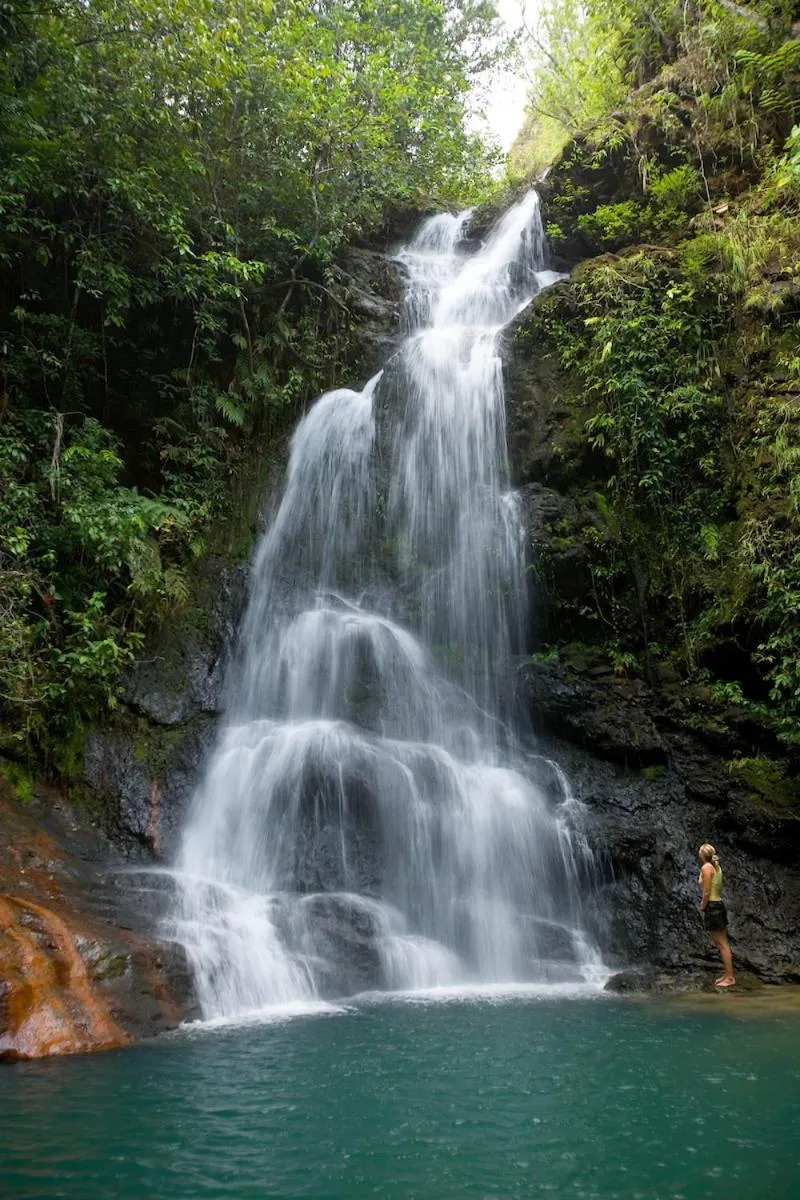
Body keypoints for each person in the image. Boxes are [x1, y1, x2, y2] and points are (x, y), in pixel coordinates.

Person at [698, 843, 735, 988]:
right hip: (719, 904)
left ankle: (730, 977)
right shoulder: (716, 866)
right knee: (723, 943)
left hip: (712, 906)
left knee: (722, 944)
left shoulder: (706, 868)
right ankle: (727, 974)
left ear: (702, 855)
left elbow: (707, 891)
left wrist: (702, 906)